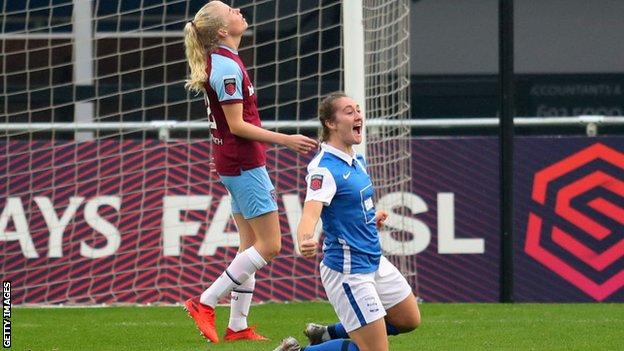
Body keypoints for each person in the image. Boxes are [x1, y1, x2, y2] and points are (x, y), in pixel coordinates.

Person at [182, 1, 318, 344]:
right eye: (230, 9)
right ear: (223, 30)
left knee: (249, 247)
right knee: (270, 246)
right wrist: (285, 140)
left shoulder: (224, 60)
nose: (238, 9)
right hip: (243, 163)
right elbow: (237, 125)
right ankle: (205, 301)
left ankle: (238, 325)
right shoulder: (226, 67)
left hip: (233, 163)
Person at [273, 92, 421, 351]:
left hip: (372, 259)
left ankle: (326, 334)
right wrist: (305, 238)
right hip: (348, 270)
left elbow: (351, 206)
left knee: (408, 319)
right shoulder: (324, 168)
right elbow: (310, 213)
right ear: (331, 123)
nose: (359, 116)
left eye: (359, 110)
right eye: (349, 111)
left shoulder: (357, 160)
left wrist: (369, 219)